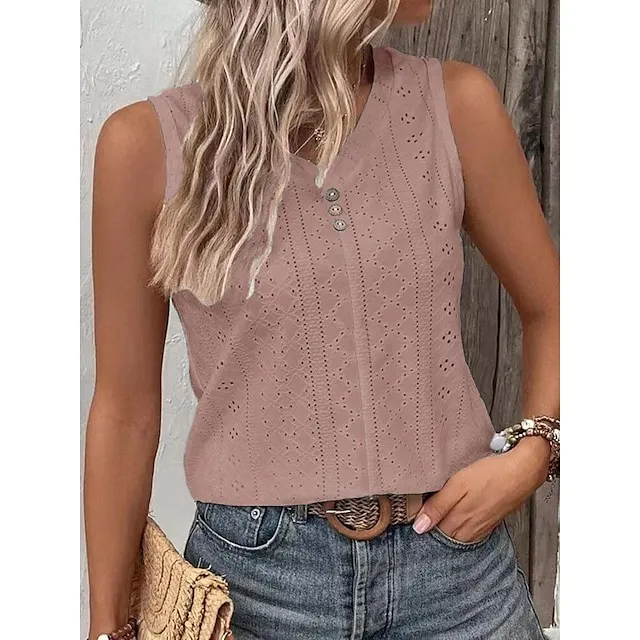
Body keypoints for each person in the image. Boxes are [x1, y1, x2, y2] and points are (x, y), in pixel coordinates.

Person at [84, 1, 560, 638]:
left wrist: (535, 453)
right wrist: (107, 625)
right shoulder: (146, 146)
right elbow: (125, 410)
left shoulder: (455, 106)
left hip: (457, 577)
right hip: (255, 589)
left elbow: (555, 309)